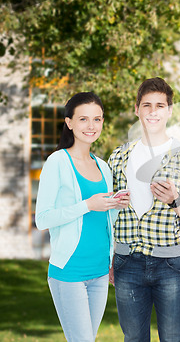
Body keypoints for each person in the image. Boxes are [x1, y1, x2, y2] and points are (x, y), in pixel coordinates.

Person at [108, 77, 180, 342]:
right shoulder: (118, 156)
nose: (153, 112)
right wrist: (111, 257)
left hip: (170, 266)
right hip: (126, 262)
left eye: (160, 106)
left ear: (170, 110)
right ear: (136, 109)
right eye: (147, 105)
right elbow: (110, 215)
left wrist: (176, 201)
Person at [35, 92, 128, 342]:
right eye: (84, 119)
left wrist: (117, 204)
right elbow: (42, 219)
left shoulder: (103, 166)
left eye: (97, 119)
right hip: (69, 272)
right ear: (69, 122)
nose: (91, 126)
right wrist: (86, 205)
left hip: (99, 270)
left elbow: (103, 218)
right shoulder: (57, 162)